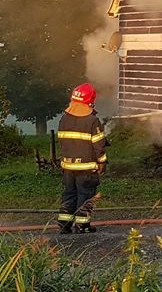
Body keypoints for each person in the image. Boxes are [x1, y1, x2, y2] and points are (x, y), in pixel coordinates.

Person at [57, 83, 107, 234]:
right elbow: (99, 145)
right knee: (85, 195)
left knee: (69, 193)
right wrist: (102, 162)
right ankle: (82, 225)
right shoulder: (92, 121)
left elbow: (62, 142)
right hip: (86, 168)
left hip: (68, 167)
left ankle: (64, 224)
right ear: (90, 101)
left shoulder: (64, 119)